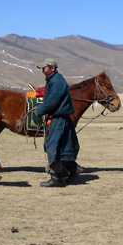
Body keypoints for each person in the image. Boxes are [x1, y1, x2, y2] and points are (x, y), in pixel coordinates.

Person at [32, 58, 82, 187]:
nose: (43, 70)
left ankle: (56, 179)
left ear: (52, 68)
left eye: (44, 67)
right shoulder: (54, 80)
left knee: (53, 147)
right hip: (56, 118)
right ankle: (74, 169)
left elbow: (53, 102)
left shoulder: (57, 81)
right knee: (60, 147)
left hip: (58, 119)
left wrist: (39, 109)